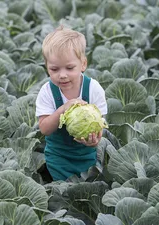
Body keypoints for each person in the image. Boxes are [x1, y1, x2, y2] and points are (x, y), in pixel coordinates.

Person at [35, 25, 108, 181]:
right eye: (54, 69)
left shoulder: (93, 88)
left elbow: (100, 125)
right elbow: (45, 128)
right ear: (47, 67)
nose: (62, 75)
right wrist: (63, 109)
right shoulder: (47, 91)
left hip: (87, 156)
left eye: (69, 68)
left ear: (83, 64)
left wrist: (94, 141)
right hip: (58, 158)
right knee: (63, 195)